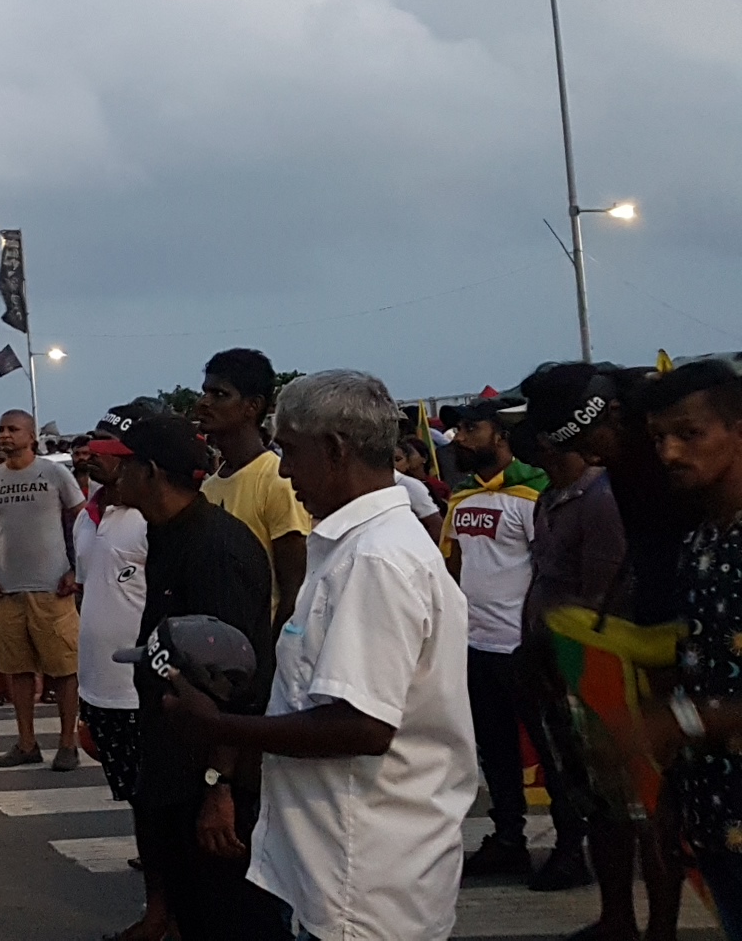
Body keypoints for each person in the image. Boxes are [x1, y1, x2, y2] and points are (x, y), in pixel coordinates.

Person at [168, 370, 473, 941]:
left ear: (334, 450)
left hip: (367, 875)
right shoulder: (353, 545)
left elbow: (362, 726)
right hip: (342, 866)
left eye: (290, 451)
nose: (283, 470)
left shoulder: (375, 561)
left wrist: (219, 726)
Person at [92, 406, 287, 940]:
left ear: (151, 471)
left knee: (230, 916)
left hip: (210, 772)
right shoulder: (165, 531)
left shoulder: (216, 549)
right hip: (172, 756)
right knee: (192, 908)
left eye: (121, 462)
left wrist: (218, 787)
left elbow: (238, 682)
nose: (110, 473)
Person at [509, 363, 632, 907]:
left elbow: (601, 595)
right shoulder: (550, 502)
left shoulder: (601, 500)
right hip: (552, 664)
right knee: (578, 790)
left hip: (588, 669)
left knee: (615, 802)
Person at [633, 360, 742, 936]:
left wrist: (680, 722)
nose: (670, 453)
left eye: (689, 434)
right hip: (716, 821)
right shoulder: (699, 538)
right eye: (658, 439)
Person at [441, 405, 548, 879]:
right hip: (475, 644)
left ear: (500, 435)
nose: (459, 437)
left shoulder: (533, 491)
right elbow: (453, 563)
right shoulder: (461, 497)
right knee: (495, 749)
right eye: (458, 428)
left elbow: (548, 570)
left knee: (549, 749)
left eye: (471, 428)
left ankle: (570, 841)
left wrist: (536, 634)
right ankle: (508, 837)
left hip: (522, 647)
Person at [71, 421, 156, 936]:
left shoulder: (148, 519)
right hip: (100, 684)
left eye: (106, 451)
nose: (93, 457)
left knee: (157, 797)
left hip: (139, 685)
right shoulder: (87, 517)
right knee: (133, 795)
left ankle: (166, 906)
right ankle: (155, 881)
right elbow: (87, 592)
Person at [0, 410, 84, 768]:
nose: (5, 436)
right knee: (16, 669)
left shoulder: (54, 472)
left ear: (31, 435)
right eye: (1, 430)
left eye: (13, 429)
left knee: (64, 669)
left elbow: (80, 519)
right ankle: (26, 743)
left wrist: (76, 569)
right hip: (9, 590)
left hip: (52, 588)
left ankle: (68, 742)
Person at [197, 349, 312, 624]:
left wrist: (270, 657)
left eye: (220, 395)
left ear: (253, 406)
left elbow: (294, 591)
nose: (204, 403)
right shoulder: (208, 488)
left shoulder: (277, 480)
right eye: (205, 392)